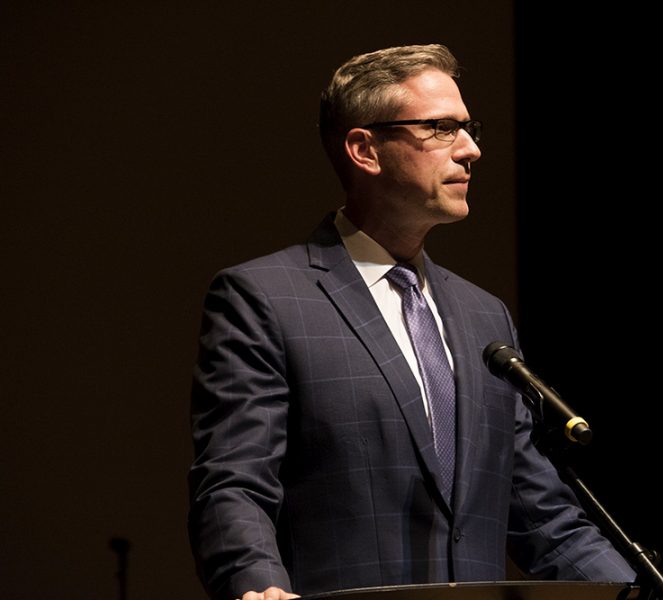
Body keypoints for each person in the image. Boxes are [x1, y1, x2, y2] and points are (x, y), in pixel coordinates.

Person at [188, 44, 635, 600]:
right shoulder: (266, 299)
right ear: (365, 150)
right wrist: (255, 586)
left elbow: (542, 516)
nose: (471, 150)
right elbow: (235, 482)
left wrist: (641, 595)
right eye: (441, 128)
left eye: (469, 127)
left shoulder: (482, 316)